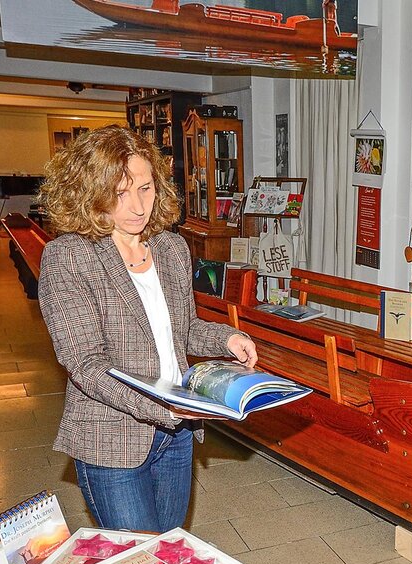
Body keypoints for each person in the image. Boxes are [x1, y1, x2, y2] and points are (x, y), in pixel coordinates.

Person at [37, 126, 257, 532]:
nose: (137, 206)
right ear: (89, 193)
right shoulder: (68, 256)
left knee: (170, 551)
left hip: (177, 434)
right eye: (119, 194)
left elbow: (184, 329)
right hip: (112, 436)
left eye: (145, 188)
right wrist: (162, 406)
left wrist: (226, 337)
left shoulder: (170, 247)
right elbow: (85, 364)